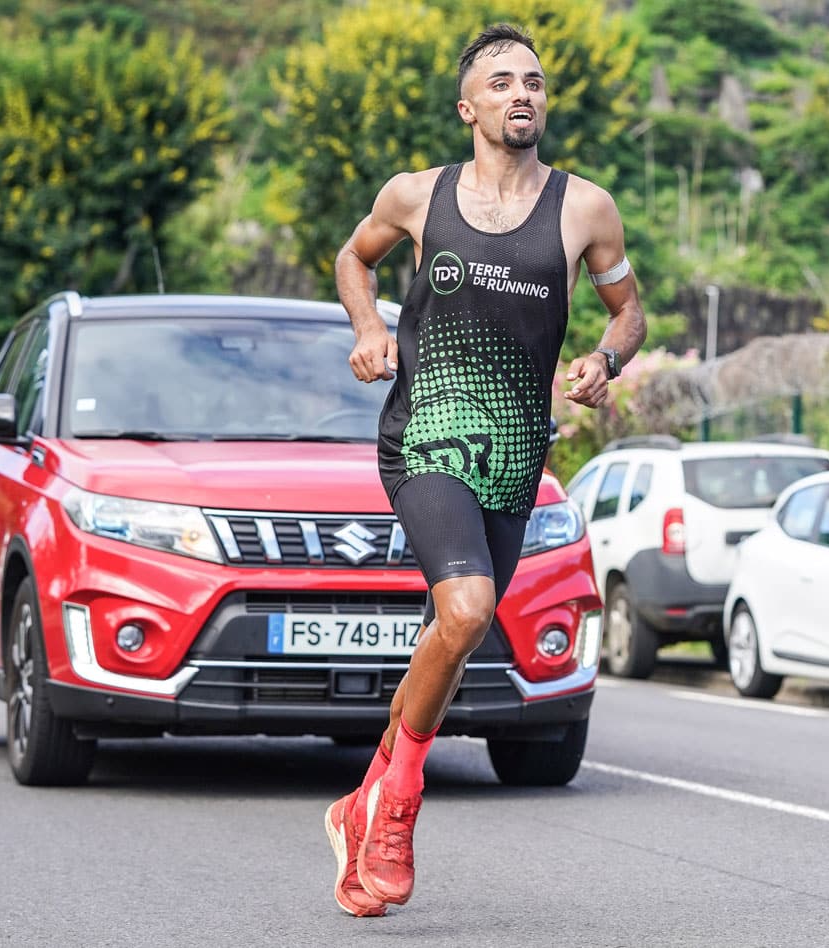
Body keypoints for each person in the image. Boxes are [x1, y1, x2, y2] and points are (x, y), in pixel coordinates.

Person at [326, 23, 647, 917]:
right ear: (469, 107)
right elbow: (354, 258)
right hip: (426, 436)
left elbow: (629, 313)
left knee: (455, 636)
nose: (522, 94)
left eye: (533, 81)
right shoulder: (416, 195)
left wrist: (604, 360)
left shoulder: (586, 209)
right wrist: (369, 326)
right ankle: (399, 806)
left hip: (514, 454)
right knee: (466, 610)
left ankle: (360, 804)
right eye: (502, 82)